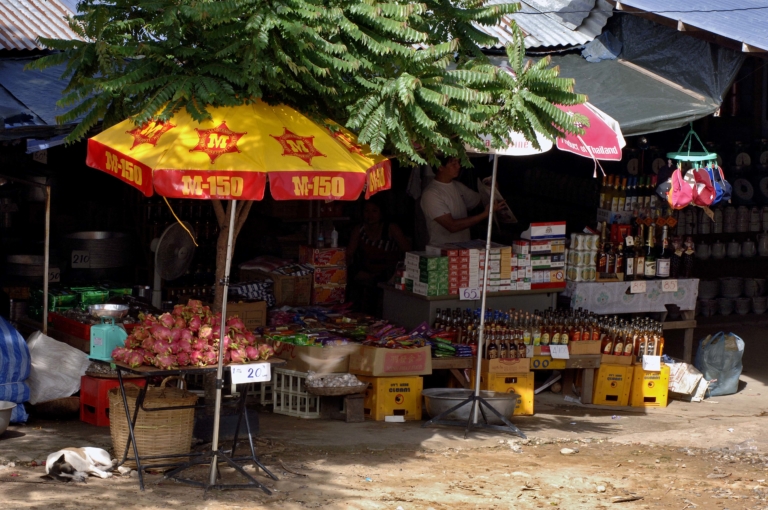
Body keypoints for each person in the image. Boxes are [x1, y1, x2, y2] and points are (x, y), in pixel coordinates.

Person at [420, 157, 503, 246]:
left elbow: (480, 201)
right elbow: (452, 226)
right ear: (440, 167)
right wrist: (485, 214)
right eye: (453, 164)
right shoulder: (431, 194)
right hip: (442, 249)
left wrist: (492, 191)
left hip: (463, 248)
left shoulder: (458, 186)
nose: (459, 166)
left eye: (458, 162)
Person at [347, 198, 410, 312]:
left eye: (374, 211)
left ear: (381, 213)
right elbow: (349, 254)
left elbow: (408, 251)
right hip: (367, 271)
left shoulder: (391, 228)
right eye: (366, 211)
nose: (370, 215)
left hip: (388, 273)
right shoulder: (359, 229)